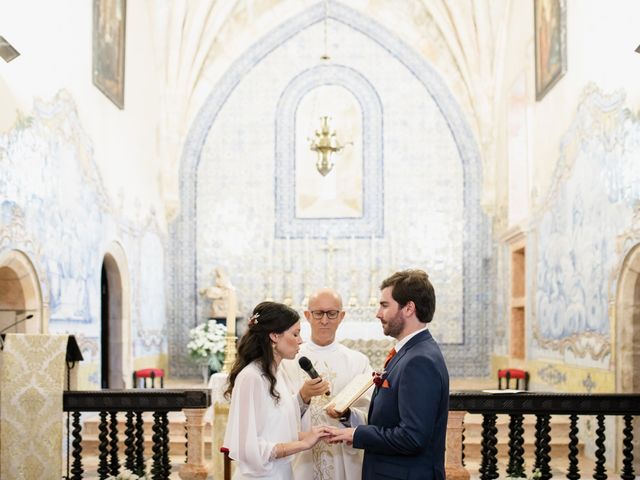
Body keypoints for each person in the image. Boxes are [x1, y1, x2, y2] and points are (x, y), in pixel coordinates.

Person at [327, 269, 450, 480]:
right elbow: (392, 418)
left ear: (409, 308)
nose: (378, 313)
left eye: (385, 305)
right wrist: (350, 418)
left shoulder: (419, 360)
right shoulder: (410, 351)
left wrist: (357, 434)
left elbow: (412, 437)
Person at [223, 301, 329, 479]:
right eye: (295, 334)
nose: (300, 340)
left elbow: (277, 427)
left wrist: (315, 434)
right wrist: (303, 443)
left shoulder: (277, 374)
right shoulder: (251, 377)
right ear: (274, 336)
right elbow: (248, 447)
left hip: (282, 472)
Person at [281, 288, 372, 480]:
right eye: (318, 313)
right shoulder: (288, 361)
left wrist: (347, 414)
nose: (324, 320)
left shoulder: (358, 361)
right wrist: (303, 397)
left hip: (343, 458)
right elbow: (275, 414)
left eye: (331, 313)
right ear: (307, 315)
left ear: (342, 316)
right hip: (301, 456)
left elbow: (372, 412)